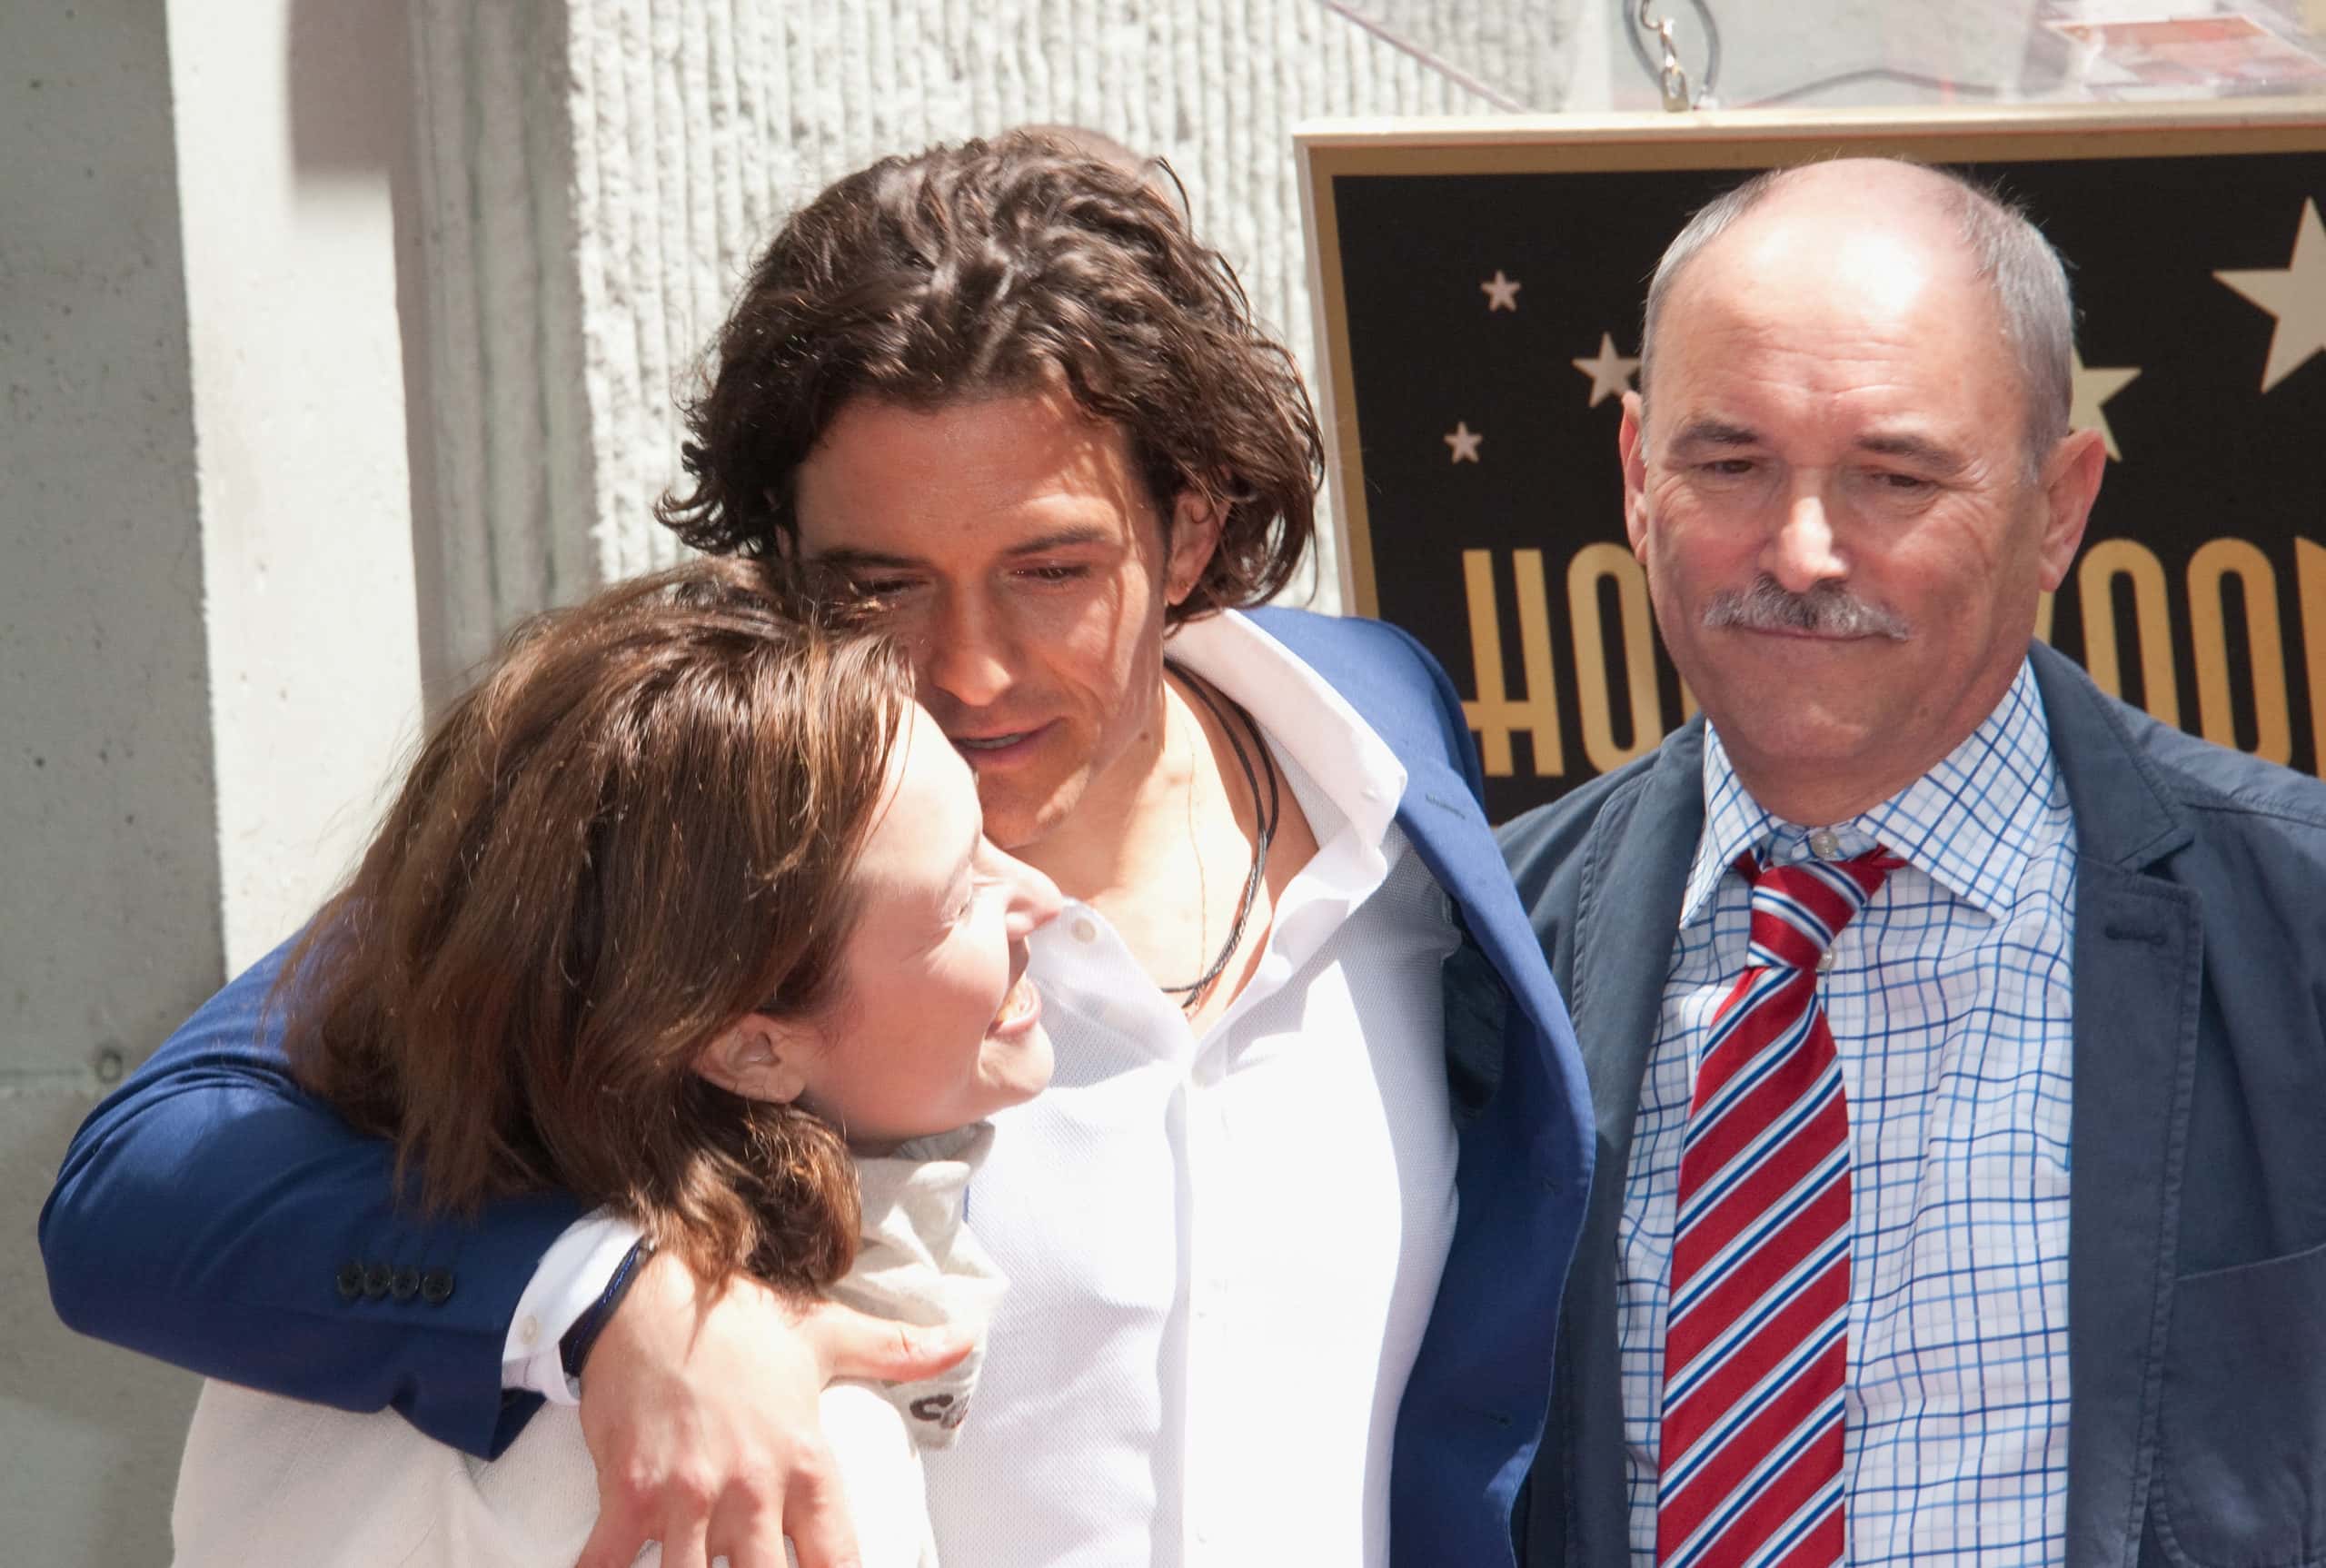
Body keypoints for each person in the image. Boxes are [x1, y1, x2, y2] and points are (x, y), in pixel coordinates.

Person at [42, 133, 1595, 1568]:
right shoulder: (694, 850)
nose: (970, 668)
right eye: (881, 587)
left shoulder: (1380, 733)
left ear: (1188, 528)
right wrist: (612, 1299)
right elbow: (140, 1187)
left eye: (1052, 569)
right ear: (778, 561)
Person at [1502, 157, 2326, 1568]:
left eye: (1892, 476)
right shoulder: (1481, 956)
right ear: (1637, 475)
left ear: (2058, 504)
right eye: (1730, 462)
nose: (1804, 548)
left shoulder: (2300, 933)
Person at [168, 558, 1062, 1567]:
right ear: (749, 1046)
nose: (1041, 898)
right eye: (958, 897)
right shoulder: (774, 1458)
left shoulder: (335, 1330)